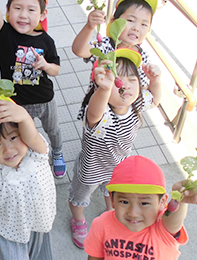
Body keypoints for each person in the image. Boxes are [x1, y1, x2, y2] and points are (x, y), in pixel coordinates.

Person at [68, 48, 162, 249]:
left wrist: (155, 80)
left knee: (112, 191)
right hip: (91, 168)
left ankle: (111, 213)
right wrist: (103, 89)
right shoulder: (101, 114)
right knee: (80, 196)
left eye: (132, 79)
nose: (125, 85)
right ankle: (77, 220)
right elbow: (94, 113)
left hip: (118, 166)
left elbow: (155, 99)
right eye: (117, 80)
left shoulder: (137, 104)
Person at [0, 0, 66, 178]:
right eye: (17, 8)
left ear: (42, 14)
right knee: (20, 133)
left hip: (45, 98)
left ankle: (57, 152)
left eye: (31, 10)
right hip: (16, 102)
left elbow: (56, 70)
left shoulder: (46, 40)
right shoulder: (5, 35)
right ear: (8, 11)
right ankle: (27, 156)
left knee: (53, 130)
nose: (23, 15)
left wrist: (45, 65)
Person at [0, 93, 56, 260]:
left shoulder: (37, 153)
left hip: (39, 222)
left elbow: (32, 135)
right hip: (10, 230)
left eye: (13, 137)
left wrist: (23, 116)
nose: (8, 150)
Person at [84, 155, 197, 259]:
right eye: (124, 202)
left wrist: (181, 199)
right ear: (112, 199)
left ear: (162, 201)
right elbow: (95, 256)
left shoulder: (162, 228)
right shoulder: (102, 224)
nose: (133, 213)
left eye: (144, 203)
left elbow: (173, 222)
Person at [72, 0, 158, 120]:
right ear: (113, 21)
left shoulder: (142, 56)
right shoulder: (105, 46)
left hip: (125, 115)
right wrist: (89, 26)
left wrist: (154, 79)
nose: (136, 28)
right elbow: (79, 50)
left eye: (144, 24)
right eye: (130, 20)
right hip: (98, 113)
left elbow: (144, 89)